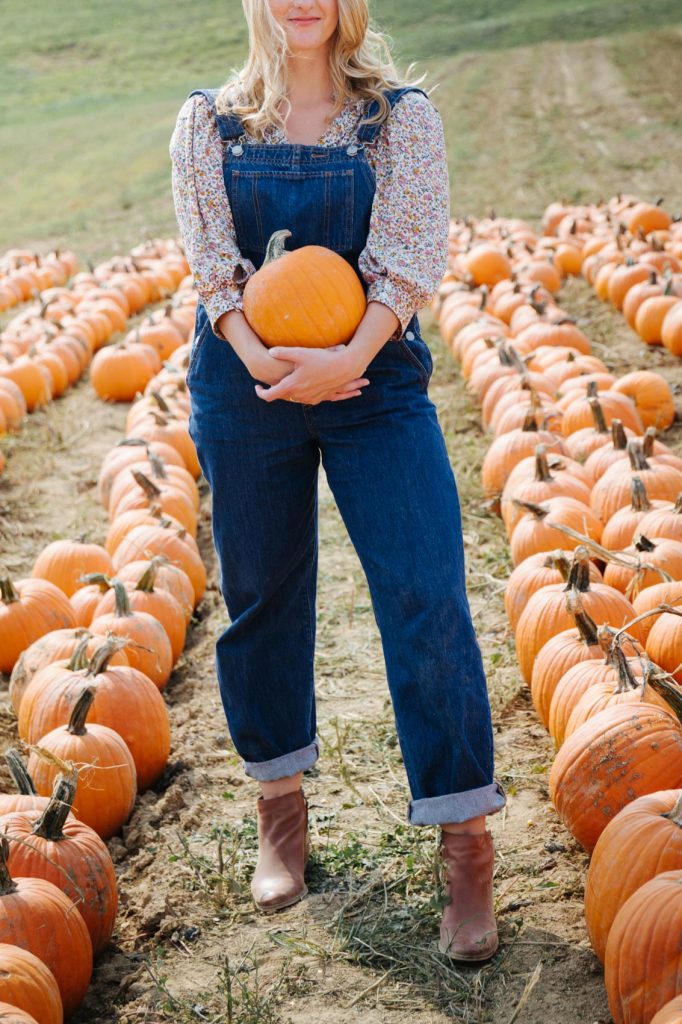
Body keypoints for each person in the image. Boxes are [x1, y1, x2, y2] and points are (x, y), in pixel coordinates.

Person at [170, 0, 506, 961]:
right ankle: (280, 808)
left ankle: (465, 842)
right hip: (248, 383)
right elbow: (213, 268)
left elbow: (406, 262)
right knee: (262, 595)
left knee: (425, 588)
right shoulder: (211, 124)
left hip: (373, 374)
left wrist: (342, 357)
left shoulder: (400, 117)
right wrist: (264, 357)